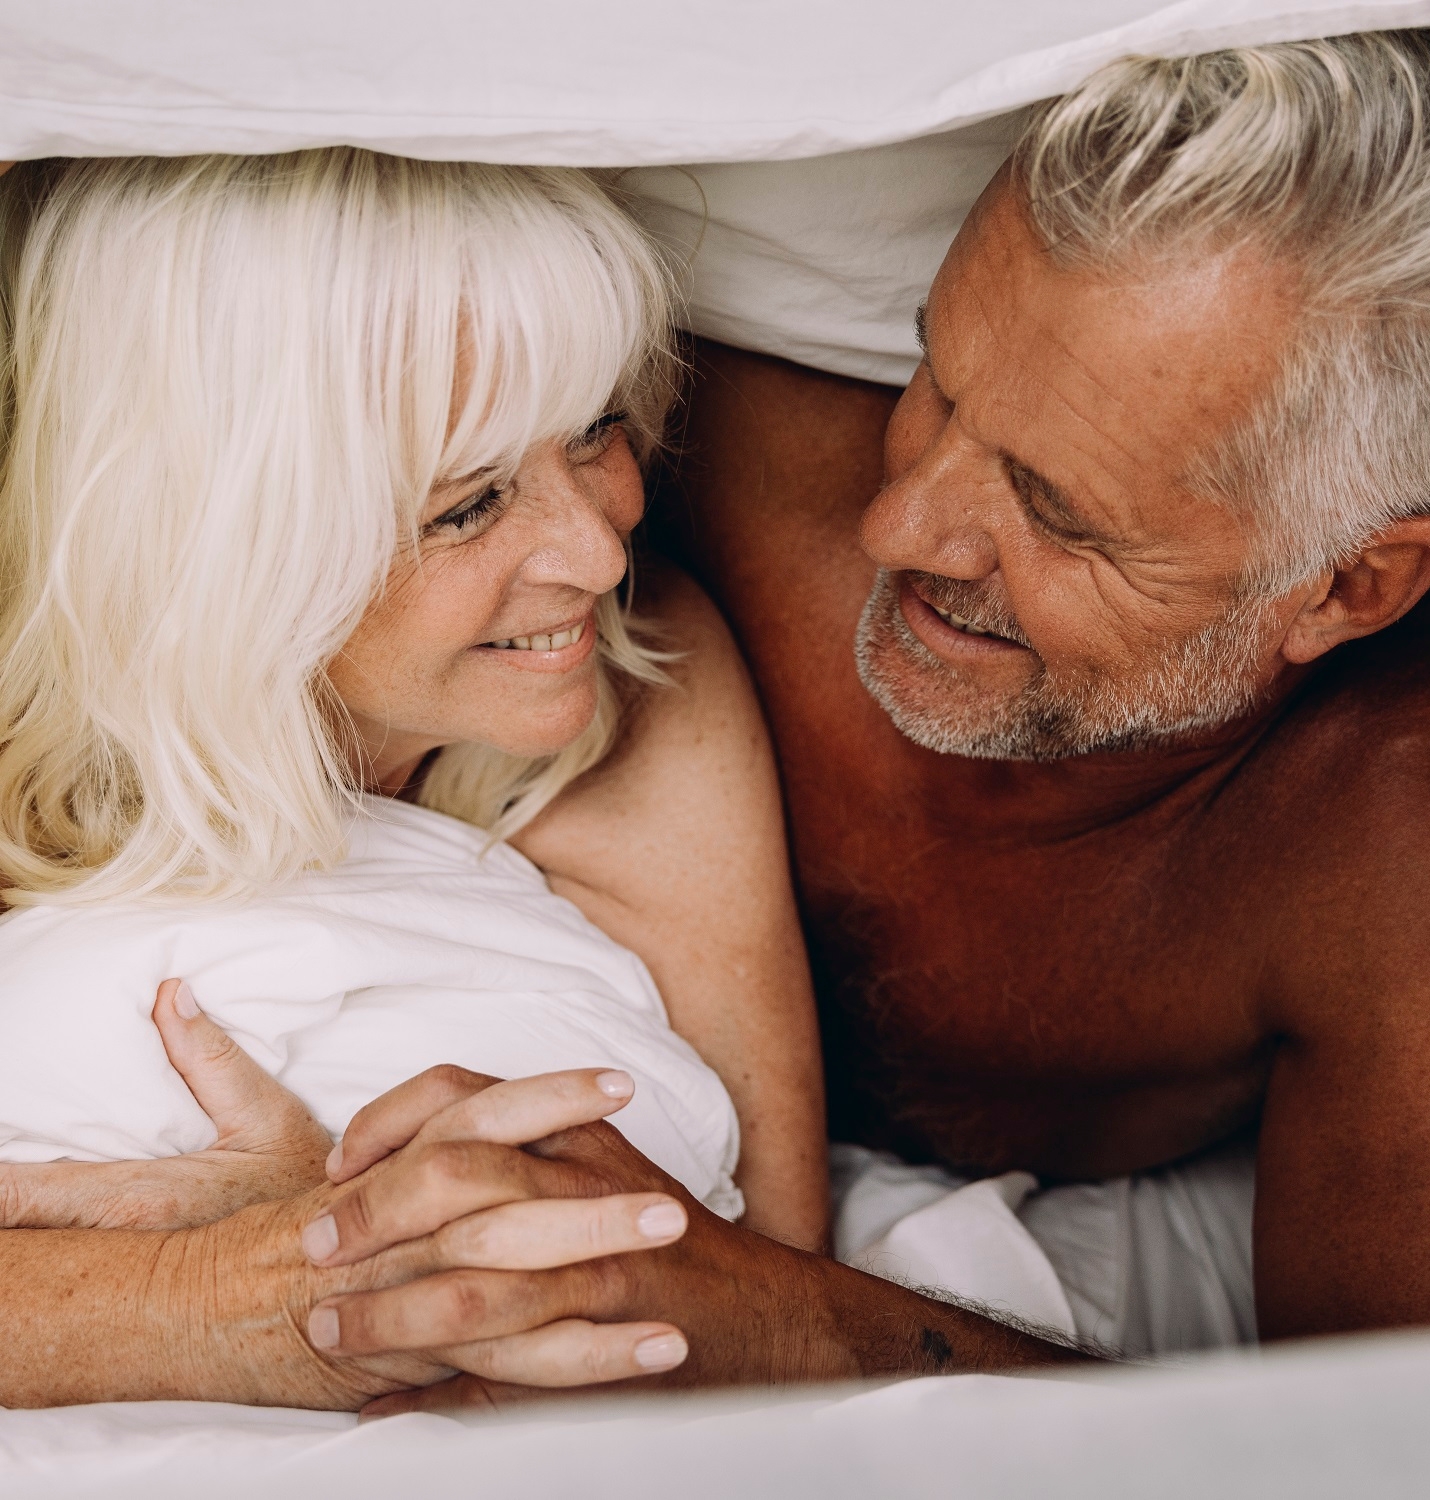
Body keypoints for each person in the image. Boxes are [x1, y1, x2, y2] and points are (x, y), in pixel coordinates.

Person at [276, 27, 1430, 1413]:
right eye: (932, 381)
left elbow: (1390, 1455)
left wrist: (779, 1320)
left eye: (1053, 511)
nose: (894, 520)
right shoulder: (687, 440)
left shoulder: (1423, 877)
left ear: (1348, 585)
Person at [0, 149, 840, 1407]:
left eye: (597, 429)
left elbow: (778, 1294)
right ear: (229, 549)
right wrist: (262, 1269)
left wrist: (358, 1207)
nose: (601, 553)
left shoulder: (648, 687)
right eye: (466, 507)